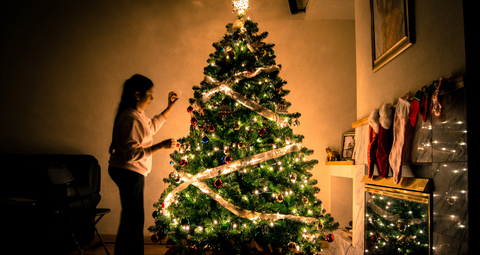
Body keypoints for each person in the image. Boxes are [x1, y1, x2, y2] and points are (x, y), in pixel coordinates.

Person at [108, 74, 178, 255]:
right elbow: (132, 154)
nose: (152, 98)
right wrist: (160, 146)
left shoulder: (137, 114)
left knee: (132, 217)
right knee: (133, 219)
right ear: (138, 95)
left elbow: (152, 126)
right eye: (150, 94)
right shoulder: (130, 119)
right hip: (129, 172)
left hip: (130, 171)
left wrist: (169, 108)